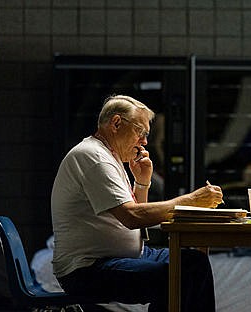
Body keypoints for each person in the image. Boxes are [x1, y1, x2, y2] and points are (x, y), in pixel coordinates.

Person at [51, 95, 223, 312]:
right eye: (140, 132)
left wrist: (141, 183)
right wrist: (191, 200)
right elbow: (132, 217)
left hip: (120, 256)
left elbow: (135, 219)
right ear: (116, 123)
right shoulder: (94, 157)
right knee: (181, 275)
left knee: (194, 263)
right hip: (88, 269)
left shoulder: (108, 156)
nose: (144, 142)